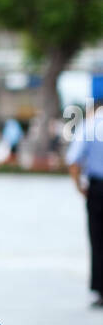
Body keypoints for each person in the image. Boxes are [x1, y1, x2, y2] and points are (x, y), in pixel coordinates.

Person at [67, 98, 103, 307]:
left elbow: (73, 160)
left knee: (98, 239)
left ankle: (99, 289)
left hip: (97, 189)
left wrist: (79, 187)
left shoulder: (89, 126)